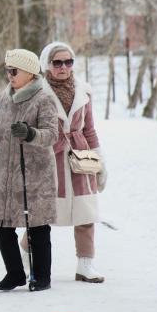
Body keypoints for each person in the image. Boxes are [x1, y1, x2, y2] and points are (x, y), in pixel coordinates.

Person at [0, 49, 58, 291]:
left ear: (30, 73)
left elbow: (52, 134)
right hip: (6, 175)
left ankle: (42, 277)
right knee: (2, 225)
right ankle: (15, 273)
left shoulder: (44, 98)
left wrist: (30, 134)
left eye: (14, 70)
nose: (9, 75)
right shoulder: (5, 97)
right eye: (7, 70)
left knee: (38, 227)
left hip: (35, 176)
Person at [28, 41, 107, 283]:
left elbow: (90, 129)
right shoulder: (37, 92)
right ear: (47, 65)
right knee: (42, 215)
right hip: (50, 157)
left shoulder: (85, 91)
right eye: (57, 62)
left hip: (81, 156)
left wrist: (100, 161)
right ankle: (23, 260)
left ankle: (85, 265)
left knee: (86, 211)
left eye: (68, 62)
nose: (64, 67)